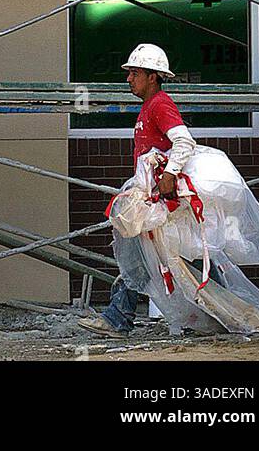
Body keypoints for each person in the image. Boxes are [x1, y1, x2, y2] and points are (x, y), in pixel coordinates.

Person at [79, 44, 196, 337]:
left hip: (158, 203)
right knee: (152, 258)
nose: (128, 78)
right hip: (151, 200)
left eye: (134, 73)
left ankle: (118, 318)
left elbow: (184, 142)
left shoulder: (159, 104)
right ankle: (119, 317)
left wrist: (169, 175)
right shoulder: (149, 106)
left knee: (149, 257)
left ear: (153, 76)